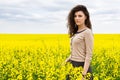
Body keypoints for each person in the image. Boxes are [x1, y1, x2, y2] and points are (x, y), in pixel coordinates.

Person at [65, 5, 94, 80]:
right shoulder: (75, 32)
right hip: (72, 65)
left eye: (80, 16)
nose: (77, 18)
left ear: (86, 17)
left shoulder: (87, 32)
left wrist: (83, 75)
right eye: (75, 16)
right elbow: (76, 51)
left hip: (82, 66)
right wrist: (67, 60)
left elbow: (89, 54)